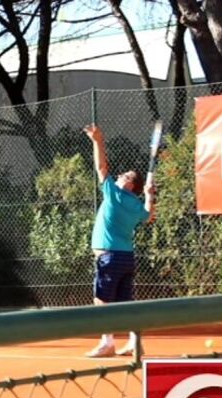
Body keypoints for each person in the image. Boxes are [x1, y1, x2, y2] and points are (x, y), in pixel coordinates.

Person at [83, 124, 156, 358]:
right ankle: (135, 342)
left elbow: (101, 167)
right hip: (127, 258)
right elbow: (149, 216)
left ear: (128, 184)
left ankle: (107, 343)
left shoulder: (114, 194)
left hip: (109, 257)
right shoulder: (136, 204)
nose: (118, 177)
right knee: (126, 304)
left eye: (123, 176)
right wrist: (149, 195)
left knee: (101, 299)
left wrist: (97, 140)